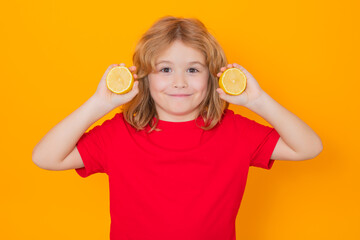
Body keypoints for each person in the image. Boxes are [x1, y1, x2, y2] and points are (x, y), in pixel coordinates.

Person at [32, 15, 323, 240]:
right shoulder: (118, 133)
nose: (180, 82)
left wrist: (258, 100)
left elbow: (309, 147)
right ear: (145, 77)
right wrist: (98, 104)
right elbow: (45, 157)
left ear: (211, 77)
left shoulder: (236, 131)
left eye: (193, 70)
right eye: (165, 69)